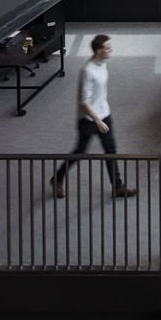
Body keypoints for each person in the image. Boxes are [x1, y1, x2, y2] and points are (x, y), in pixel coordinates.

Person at [50, 35, 136, 200]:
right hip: (88, 120)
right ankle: (57, 179)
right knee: (80, 152)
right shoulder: (87, 71)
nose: (111, 51)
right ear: (98, 51)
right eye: (107, 48)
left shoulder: (102, 64)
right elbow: (84, 101)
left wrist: (103, 114)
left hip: (104, 114)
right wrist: (97, 120)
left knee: (110, 150)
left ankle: (118, 187)